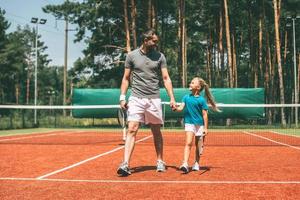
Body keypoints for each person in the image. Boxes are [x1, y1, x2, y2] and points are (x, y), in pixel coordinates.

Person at [117, 29, 176, 176]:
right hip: (136, 97)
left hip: (153, 98)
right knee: (132, 128)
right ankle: (125, 164)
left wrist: (172, 98)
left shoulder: (160, 57)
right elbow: (125, 78)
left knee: (156, 131)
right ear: (146, 40)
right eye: (154, 41)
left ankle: (160, 161)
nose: (156, 43)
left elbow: (166, 78)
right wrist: (122, 97)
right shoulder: (131, 56)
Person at [173, 77, 219, 173]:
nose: (190, 84)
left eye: (192, 83)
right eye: (191, 82)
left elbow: (205, 115)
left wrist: (206, 128)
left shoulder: (201, 100)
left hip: (199, 125)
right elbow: (181, 108)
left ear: (198, 87)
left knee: (198, 146)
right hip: (189, 123)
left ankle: (196, 163)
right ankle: (185, 163)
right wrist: (175, 108)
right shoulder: (186, 97)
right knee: (188, 143)